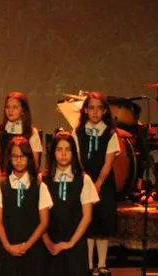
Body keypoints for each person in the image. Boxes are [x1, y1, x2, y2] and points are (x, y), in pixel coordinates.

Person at [71, 92, 119, 276]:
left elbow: (108, 163)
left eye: (99, 108)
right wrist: (86, 180)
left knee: (102, 222)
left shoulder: (110, 133)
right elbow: (78, 158)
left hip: (104, 183)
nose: (95, 112)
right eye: (91, 108)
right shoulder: (78, 132)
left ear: (105, 110)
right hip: (84, 181)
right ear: (85, 110)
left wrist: (98, 183)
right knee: (87, 223)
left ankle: (102, 264)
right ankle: (89, 263)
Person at [0, 137, 52, 276]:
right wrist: (8, 247)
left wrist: (26, 246)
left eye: (22, 156)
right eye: (14, 156)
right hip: (7, 250)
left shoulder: (39, 187)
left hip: (33, 251)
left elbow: (44, 223)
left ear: (29, 158)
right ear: (9, 159)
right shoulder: (0, 186)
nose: (18, 160)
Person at [42, 131, 98, 276]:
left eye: (68, 149)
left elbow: (87, 216)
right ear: (53, 152)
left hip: (75, 244)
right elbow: (38, 216)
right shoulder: (42, 180)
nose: (64, 154)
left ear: (74, 152)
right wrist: (48, 242)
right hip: (49, 245)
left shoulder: (83, 180)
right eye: (59, 149)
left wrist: (71, 243)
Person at [0, 92, 44, 178]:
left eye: (15, 107)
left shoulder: (32, 132)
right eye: (8, 107)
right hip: (3, 182)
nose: (10, 110)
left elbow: (35, 163)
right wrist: (3, 184)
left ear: (23, 110)